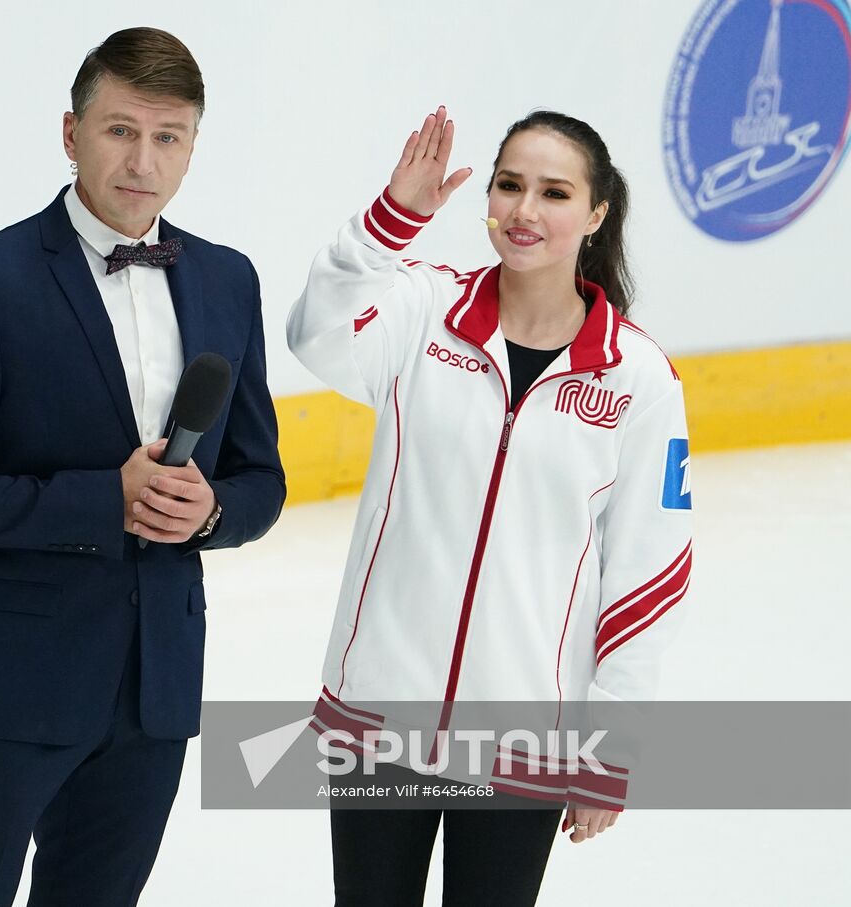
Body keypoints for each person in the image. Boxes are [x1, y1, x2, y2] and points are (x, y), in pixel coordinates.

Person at [0, 27, 285, 906]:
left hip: (157, 693)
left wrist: (210, 512)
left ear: (191, 148)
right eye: (119, 130)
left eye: (168, 136)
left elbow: (262, 480)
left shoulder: (228, 280)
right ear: (71, 134)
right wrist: (102, 500)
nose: (142, 160)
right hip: (11, 688)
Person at [287, 107, 693, 906]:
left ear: (597, 213)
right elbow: (315, 335)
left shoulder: (637, 377)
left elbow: (651, 573)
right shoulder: (421, 308)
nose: (524, 211)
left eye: (554, 192)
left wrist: (607, 748)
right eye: (510, 185)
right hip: (380, 714)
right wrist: (388, 223)